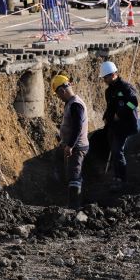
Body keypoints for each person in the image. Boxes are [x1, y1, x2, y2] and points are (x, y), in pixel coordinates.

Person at [51, 74, 89, 209]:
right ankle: (69, 198)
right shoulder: (72, 103)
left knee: (74, 175)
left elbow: (78, 127)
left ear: (62, 91)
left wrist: (70, 145)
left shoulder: (75, 105)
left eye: (58, 94)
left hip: (77, 147)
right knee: (71, 172)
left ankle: (74, 207)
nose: (59, 98)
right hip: (73, 145)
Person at [100, 61, 139, 190]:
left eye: (105, 77)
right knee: (114, 150)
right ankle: (116, 176)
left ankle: (122, 179)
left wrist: (120, 114)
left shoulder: (126, 87)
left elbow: (133, 103)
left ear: (113, 74)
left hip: (124, 125)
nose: (104, 80)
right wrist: (107, 117)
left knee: (117, 151)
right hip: (113, 125)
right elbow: (110, 106)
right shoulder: (109, 91)